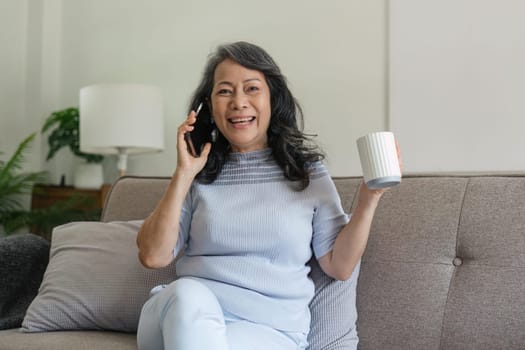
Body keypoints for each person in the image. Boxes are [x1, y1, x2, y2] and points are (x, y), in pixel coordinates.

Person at [136, 41, 397, 350]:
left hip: (269, 331)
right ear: (208, 105)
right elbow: (153, 256)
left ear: (273, 99)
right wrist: (183, 174)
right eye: (224, 91)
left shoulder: (306, 173)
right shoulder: (198, 174)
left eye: (252, 89)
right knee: (188, 297)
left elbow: (338, 266)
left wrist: (369, 198)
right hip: (179, 315)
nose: (238, 102)